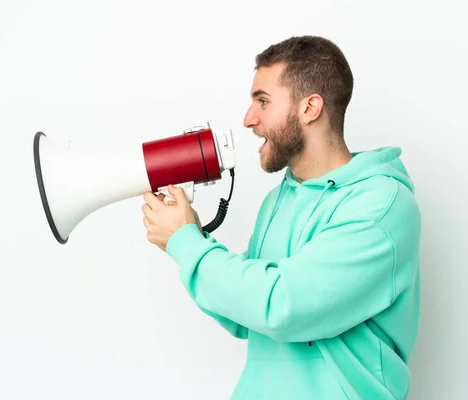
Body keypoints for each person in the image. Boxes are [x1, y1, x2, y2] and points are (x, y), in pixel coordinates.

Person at [141, 35, 421, 400]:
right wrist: (188, 233)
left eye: (263, 101)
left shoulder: (382, 206)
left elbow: (284, 306)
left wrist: (187, 243)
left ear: (310, 108)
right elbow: (247, 313)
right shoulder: (279, 200)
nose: (248, 119)